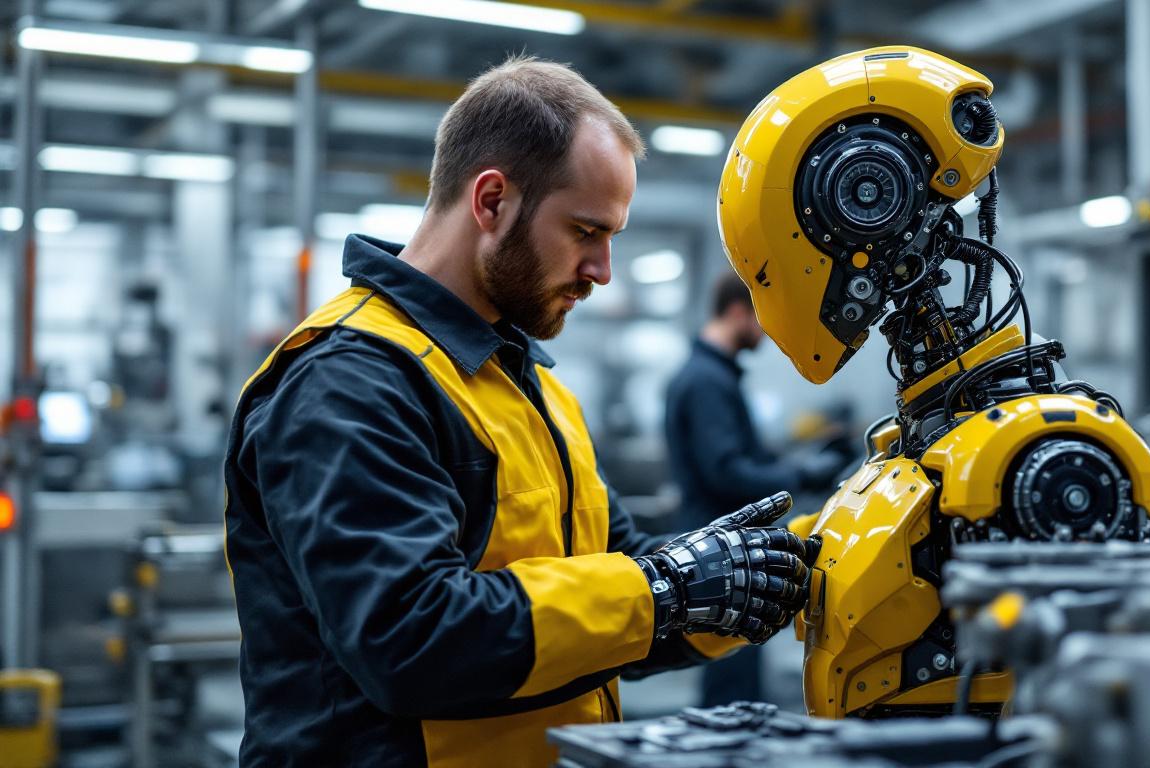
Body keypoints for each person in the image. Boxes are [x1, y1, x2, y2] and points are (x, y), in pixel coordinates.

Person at [222, 57, 817, 768]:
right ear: (493, 201)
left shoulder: (531, 385)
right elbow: (410, 641)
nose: (601, 270)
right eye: (585, 231)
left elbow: (618, 592)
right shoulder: (348, 382)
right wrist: (666, 588)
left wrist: (789, 560)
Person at [664, 272, 849, 705]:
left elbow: (745, 456)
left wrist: (803, 460)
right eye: (762, 317)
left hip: (725, 553)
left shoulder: (715, 376)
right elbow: (727, 472)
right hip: (719, 556)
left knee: (736, 674)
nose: (768, 330)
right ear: (736, 312)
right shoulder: (707, 381)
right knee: (730, 688)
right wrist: (802, 476)